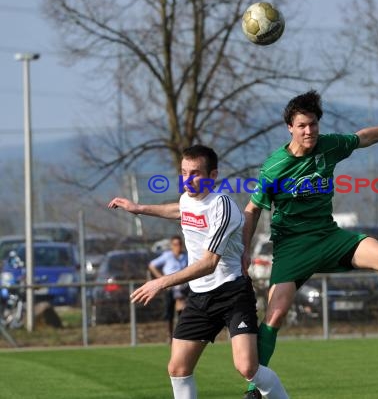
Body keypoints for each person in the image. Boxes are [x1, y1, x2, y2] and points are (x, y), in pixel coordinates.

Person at [242, 91, 378, 398]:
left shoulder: (329, 145)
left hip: (328, 236)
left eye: (313, 124)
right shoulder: (274, 167)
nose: (309, 131)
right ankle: (254, 389)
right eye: (302, 126)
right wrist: (244, 252)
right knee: (274, 316)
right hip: (292, 247)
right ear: (290, 128)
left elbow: (363, 138)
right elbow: (252, 209)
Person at [108, 145, 288, 399]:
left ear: (212, 175)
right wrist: (139, 208)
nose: (187, 179)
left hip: (232, 293)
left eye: (195, 173)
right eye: (183, 172)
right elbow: (179, 209)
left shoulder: (222, 206)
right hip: (199, 297)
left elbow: (209, 263)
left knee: (247, 367)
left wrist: (161, 283)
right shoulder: (186, 198)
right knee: (178, 368)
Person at [148, 235, 188, 341]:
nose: (178, 246)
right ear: (171, 246)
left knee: (183, 310)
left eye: (179, 244)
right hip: (170, 287)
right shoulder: (167, 256)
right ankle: (169, 336)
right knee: (169, 312)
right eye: (175, 244)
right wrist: (161, 279)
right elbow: (152, 265)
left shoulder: (186, 256)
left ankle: (181, 334)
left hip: (182, 287)